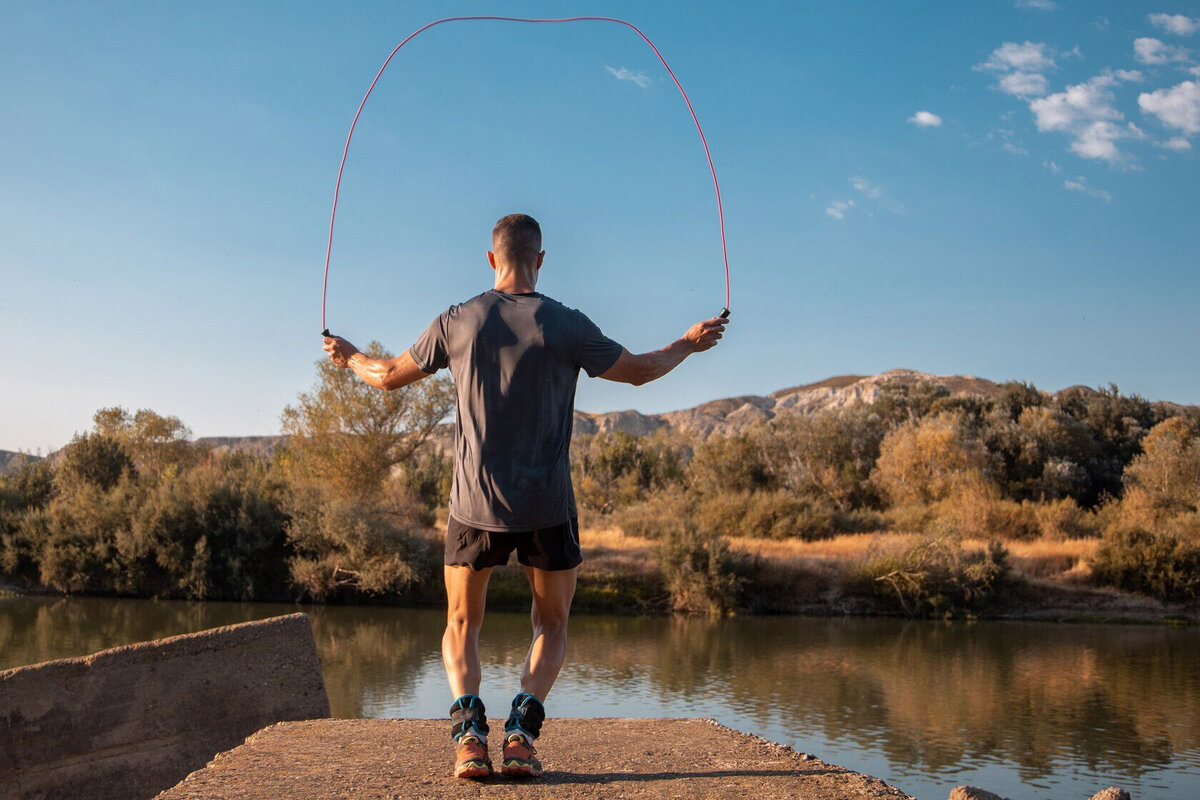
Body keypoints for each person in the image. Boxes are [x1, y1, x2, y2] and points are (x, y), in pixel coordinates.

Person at [322, 213, 727, 780]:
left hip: (473, 506)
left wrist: (348, 358)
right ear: (540, 260)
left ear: (491, 259)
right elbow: (639, 372)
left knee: (462, 625)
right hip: (547, 507)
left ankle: (469, 738)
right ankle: (519, 733)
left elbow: (387, 375)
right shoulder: (568, 324)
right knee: (553, 625)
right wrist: (687, 343)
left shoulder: (456, 320)